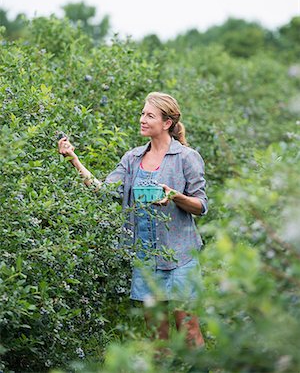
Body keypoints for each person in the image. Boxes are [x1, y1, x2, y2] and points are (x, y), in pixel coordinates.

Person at [58, 91, 208, 347]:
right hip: (146, 260)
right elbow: (103, 190)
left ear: (167, 123)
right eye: (142, 113)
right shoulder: (133, 158)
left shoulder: (185, 157)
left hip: (181, 256)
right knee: (157, 339)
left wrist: (174, 196)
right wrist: (74, 159)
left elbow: (201, 206)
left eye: (149, 115)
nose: (142, 119)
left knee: (189, 332)